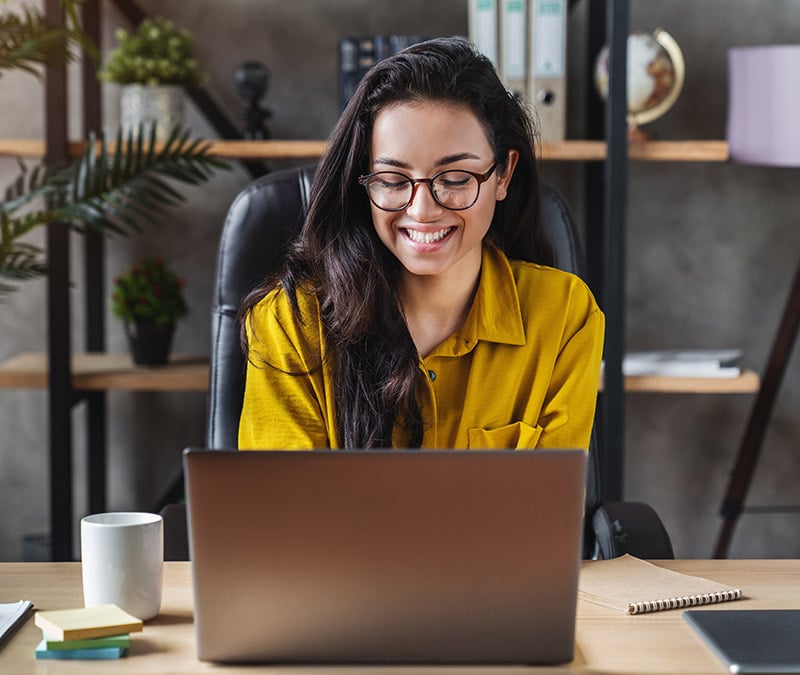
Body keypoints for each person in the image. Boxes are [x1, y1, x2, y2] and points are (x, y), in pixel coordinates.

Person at [238, 36, 604, 451]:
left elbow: (549, 509)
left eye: (455, 180)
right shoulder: (292, 322)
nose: (422, 210)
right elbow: (283, 510)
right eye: (393, 181)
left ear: (503, 174)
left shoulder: (564, 316)